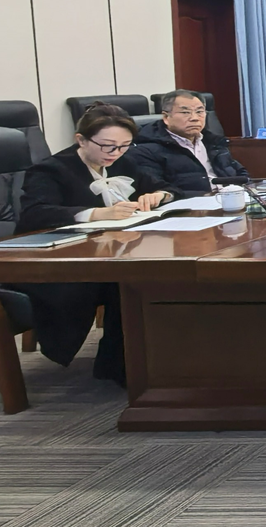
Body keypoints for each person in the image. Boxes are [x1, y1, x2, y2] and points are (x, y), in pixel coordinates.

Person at [13, 105, 175, 385]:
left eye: (124, 146)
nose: (115, 153)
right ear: (81, 140)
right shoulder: (51, 170)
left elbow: (166, 186)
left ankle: (142, 361)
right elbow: (35, 214)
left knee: (149, 275)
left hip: (106, 250)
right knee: (127, 282)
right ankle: (121, 366)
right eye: (107, 146)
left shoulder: (123, 162)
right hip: (48, 261)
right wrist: (95, 214)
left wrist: (159, 195)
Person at [125, 89, 248, 195]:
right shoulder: (146, 148)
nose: (195, 118)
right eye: (185, 112)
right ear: (166, 117)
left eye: (199, 112)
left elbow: (240, 173)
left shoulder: (213, 141)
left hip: (228, 199)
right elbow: (157, 189)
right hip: (190, 206)